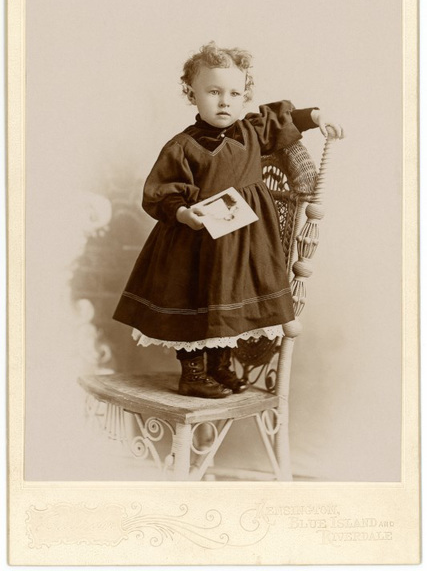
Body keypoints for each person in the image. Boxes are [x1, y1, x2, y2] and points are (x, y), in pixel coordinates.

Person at [113, 42, 344, 399]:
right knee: (194, 301)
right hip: (196, 244)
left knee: (231, 305)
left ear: (245, 96)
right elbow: (160, 192)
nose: (225, 101)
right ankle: (192, 372)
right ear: (192, 95)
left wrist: (316, 117)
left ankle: (220, 366)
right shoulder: (182, 146)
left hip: (246, 244)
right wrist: (183, 213)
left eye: (235, 93)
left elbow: (282, 120)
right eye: (214, 92)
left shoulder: (251, 132)